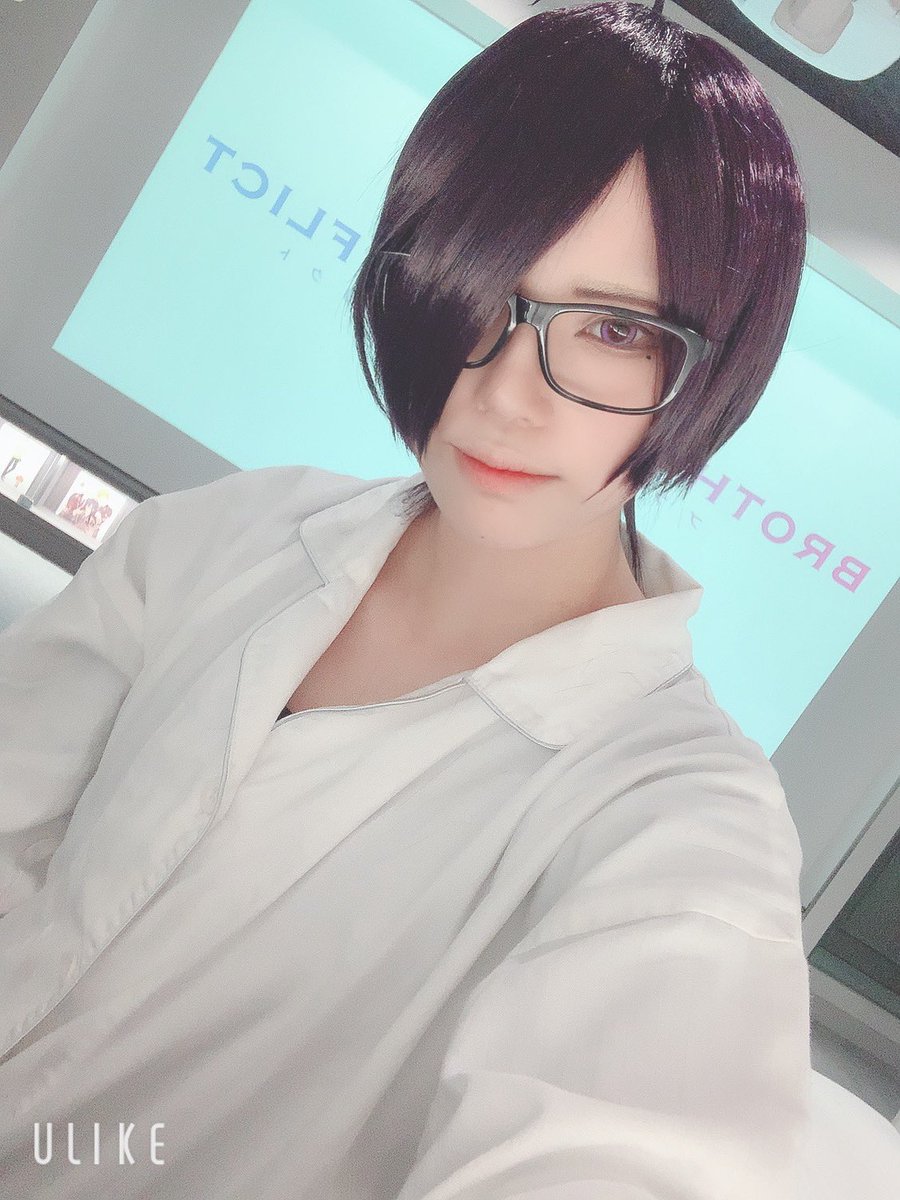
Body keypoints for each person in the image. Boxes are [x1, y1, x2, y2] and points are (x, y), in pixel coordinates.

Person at [0, 2, 812, 1197]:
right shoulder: (224, 535)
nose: (505, 392)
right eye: (469, 283)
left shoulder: (680, 820)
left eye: (611, 329)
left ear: (719, 365)